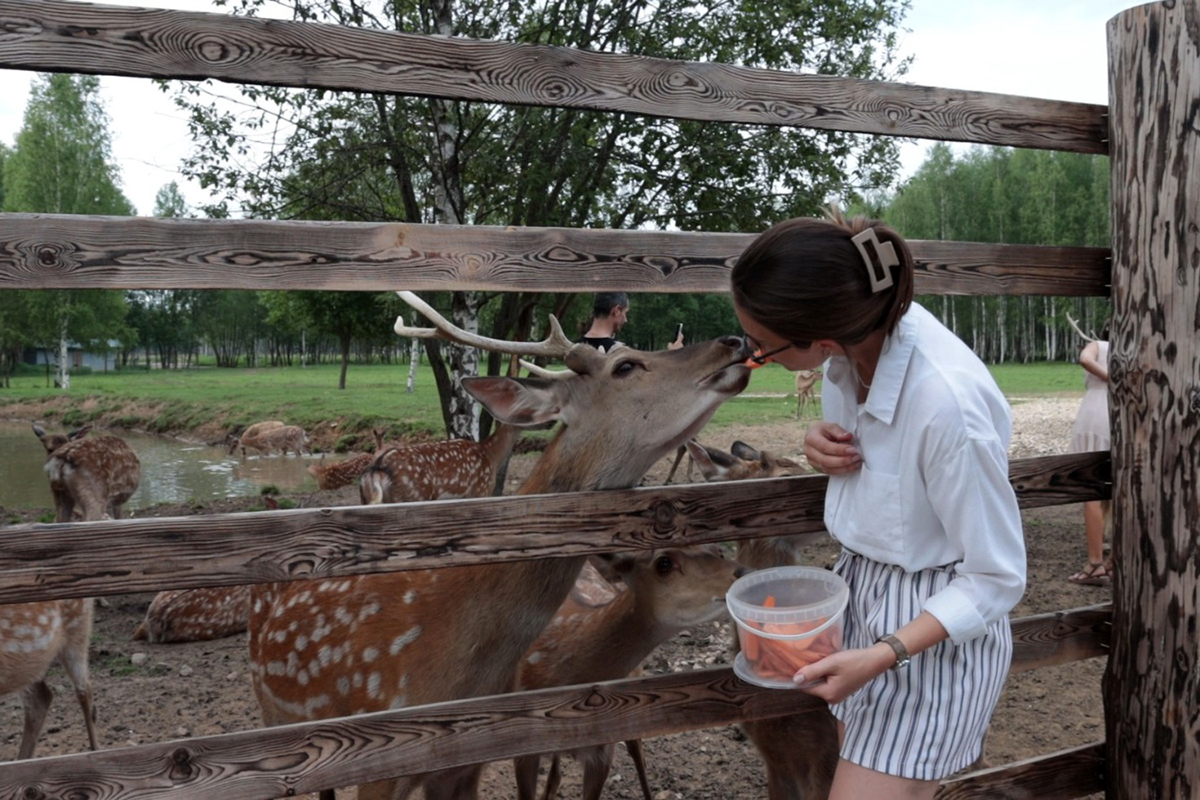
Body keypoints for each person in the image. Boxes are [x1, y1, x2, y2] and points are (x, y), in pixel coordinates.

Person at [729, 210, 1026, 799]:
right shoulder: (852, 352)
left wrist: (885, 653)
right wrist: (820, 445)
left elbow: (996, 577)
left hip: (930, 639)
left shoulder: (947, 407)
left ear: (824, 338)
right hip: (859, 606)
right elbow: (885, 468)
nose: (756, 358)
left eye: (763, 349)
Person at [1067, 330, 1111, 586]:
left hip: (1096, 413)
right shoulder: (1133, 349)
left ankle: (1095, 563)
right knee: (1117, 492)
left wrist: (1109, 378)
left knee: (1092, 491)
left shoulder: (1098, 344)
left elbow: (1085, 359)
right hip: (1123, 410)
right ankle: (1114, 560)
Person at [580, 291, 684, 351]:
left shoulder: (574, 350)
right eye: (625, 313)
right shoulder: (620, 355)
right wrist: (674, 355)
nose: (626, 320)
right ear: (616, 311)